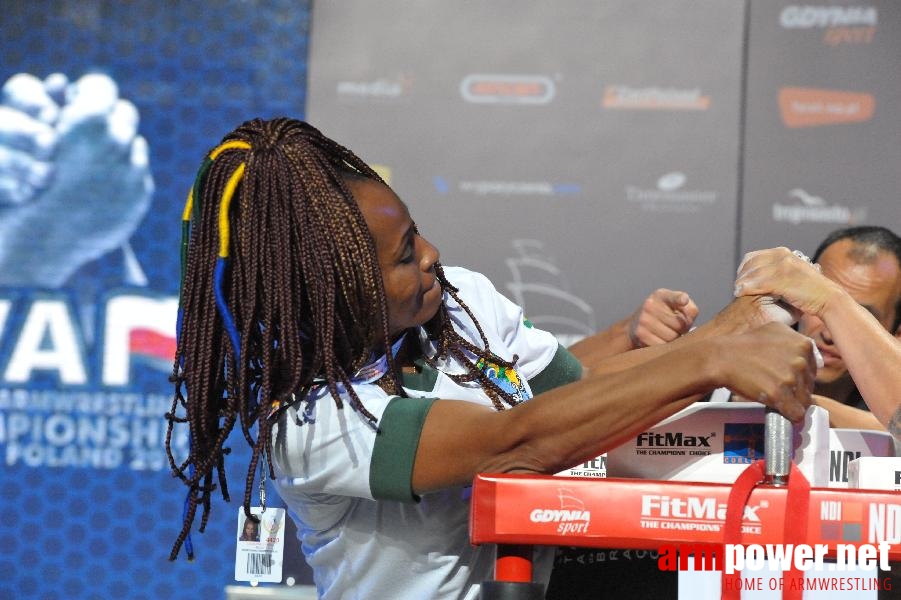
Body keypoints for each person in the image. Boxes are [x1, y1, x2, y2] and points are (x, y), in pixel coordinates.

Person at [166, 117, 816, 599]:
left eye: (414, 232)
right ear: (334, 293)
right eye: (401, 256)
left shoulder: (458, 300)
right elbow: (511, 444)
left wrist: (696, 339)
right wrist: (709, 357)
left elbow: (571, 395)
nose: (430, 254)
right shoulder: (309, 419)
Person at [735, 239, 901, 440]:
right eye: (812, 298)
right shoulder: (735, 371)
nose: (828, 334)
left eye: (858, 315)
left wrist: (800, 405)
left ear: (897, 333)